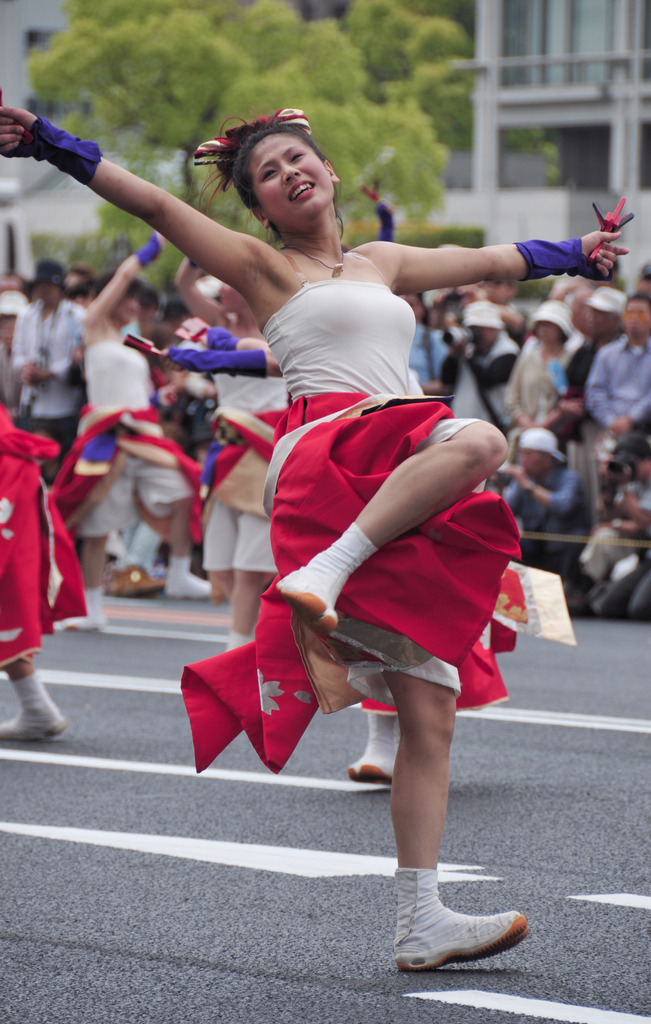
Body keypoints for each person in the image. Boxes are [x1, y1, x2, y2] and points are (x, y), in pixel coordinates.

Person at [0, 97, 625, 972]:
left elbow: (494, 257)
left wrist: (579, 256)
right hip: (333, 457)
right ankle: (326, 573)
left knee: (431, 711)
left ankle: (421, 920)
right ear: (259, 208)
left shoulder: (382, 261)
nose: (290, 172)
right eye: (267, 172)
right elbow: (152, 205)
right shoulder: (261, 265)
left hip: (397, 469)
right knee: (480, 439)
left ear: (328, 173)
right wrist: (47, 144)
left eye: (300, 158)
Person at [50, 239, 211, 630]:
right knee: (96, 530)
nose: (136, 306)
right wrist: (150, 247)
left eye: (138, 300)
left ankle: (176, 572)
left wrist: (163, 395)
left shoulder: (129, 345)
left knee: (188, 486)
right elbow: (122, 277)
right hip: (106, 441)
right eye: (130, 298)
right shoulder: (93, 329)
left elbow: (141, 398)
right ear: (113, 297)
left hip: (143, 438)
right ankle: (90, 609)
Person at [173, 257, 287, 648]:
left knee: (251, 567)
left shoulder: (280, 322)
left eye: (229, 280)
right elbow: (184, 283)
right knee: (221, 564)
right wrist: (198, 246)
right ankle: (258, 636)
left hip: (267, 448)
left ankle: (239, 651)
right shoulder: (220, 322)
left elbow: (273, 361)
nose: (221, 288)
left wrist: (212, 357)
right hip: (226, 452)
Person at [0, 405, 86, 740]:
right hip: (12, 472)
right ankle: (37, 707)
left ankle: (37, 708)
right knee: (8, 598)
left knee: (8, 597)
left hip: (8, 476)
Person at [11, 258, 86, 480]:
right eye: (40, 284)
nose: (44, 289)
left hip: (65, 404)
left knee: (63, 466)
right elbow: (18, 353)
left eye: (49, 284)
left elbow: (77, 356)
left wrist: (51, 372)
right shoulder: (27, 315)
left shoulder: (75, 315)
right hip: (34, 403)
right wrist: (26, 370)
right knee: (35, 467)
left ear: (60, 286)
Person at [501, 427, 589, 589]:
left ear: (547, 458)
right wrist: (502, 487)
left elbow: (563, 506)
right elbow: (506, 510)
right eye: (521, 453)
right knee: (510, 543)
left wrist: (529, 486)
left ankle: (571, 589)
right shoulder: (523, 479)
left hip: (562, 547)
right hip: (536, 547)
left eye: (528, 454)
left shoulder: (568, 477)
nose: (522, 459)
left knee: (575, 541)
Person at [440, 300, 520, 431]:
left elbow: (488, 379)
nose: (479, 334)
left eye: (483, 329)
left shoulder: (508, 351)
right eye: (475, 328)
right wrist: (453, 355)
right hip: (462, 422)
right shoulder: (469, 349)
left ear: (495, 329)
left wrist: (467, 356)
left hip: (491, 426)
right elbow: (446, 380)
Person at [585, 292, 651, 438]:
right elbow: (595, 391)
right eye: (629, 313)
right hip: (610, 429)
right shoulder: (607, 353)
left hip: (646, 429)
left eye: (640, 314)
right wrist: (611, 421)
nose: (634, 319)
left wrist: (631, 419)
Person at [0, 289, 28, 420]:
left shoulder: (28, 352)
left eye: (13, 326)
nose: (8, 332)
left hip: (26, 415)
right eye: (3, 326)